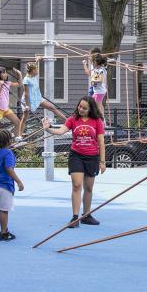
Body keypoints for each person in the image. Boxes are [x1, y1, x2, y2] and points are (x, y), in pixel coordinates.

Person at [42, 96, 106, 227]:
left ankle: (86, 215)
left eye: (84, 108)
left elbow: (101, 142)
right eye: (80, 106)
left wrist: (103, 161)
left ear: (90, 109)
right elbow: (60, 131)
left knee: (89, 187)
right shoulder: (72, 119)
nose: (81, 109)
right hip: (76, 155)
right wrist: (48, 128)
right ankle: (75, 217)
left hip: (92, 157)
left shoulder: (97, 121)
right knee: (77, 185)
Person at [19, 57, 66, 136]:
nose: (37, 70)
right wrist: (27, 105)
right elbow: (26, 93)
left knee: (52, 107)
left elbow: (34, 66)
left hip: (37, 98)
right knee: (24, 118)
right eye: (36, 69)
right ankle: (19, 135)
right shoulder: (26, 79)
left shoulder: (33, 76)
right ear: (32, 71)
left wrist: (37, 60)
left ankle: (67, 120)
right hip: (29, 100)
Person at [0, 66, 23, 141]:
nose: (6, 74)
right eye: (3, 73)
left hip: (5, 108)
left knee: (17, 122)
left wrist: (19, 74)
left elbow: (19, 84)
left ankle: (17, 140)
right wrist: (1, 86)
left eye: (6, 72)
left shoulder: (7, 83)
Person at [89, 54, 108, 118]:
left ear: (95, 62)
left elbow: (100, 79)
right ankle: (99, 118)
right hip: (98, 91)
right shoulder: (98, 69)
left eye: (93, 62)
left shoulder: (101, 70)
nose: (92, 64)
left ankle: (101, 120)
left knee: (98, 106)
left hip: (99, 92)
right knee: (92, 103)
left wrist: (93, 81)